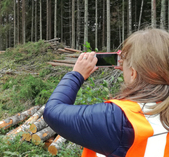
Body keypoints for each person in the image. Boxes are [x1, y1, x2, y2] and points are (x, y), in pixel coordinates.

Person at [43, 28, 169, 157]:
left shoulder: (120, 119)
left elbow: (53, 111)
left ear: (133, 72)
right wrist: (132, 75)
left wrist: (77, 75)